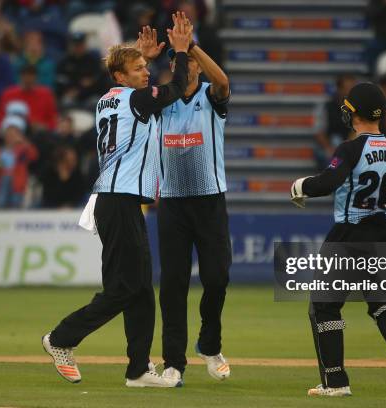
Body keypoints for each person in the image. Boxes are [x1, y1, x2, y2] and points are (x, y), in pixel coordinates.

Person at [41, 13, 193, 388]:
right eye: (138, 68)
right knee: (126, 289)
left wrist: (143, 59)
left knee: (140, 290)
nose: (146, 71)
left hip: (114, 200)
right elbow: (177, 89)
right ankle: (61, 338)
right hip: (119, 201)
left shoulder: (108, 101)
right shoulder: (138, 100)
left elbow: (146, 95)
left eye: (146, 66)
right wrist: (180, 52)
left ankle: (138, 370)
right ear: (120, 77)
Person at [290, 82, 386, 397]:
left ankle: (335, 382)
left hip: (348, 238)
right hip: (385, 239)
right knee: (384, 304)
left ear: (353, 114)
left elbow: (328, 183)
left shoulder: (350, 149)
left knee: (324, 307)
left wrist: (300, 187)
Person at [152, 13, 231, 386]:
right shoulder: (163, 102)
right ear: (175, 68)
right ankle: (173, 363)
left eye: (192, 61)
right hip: (172, 203)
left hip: (210, 201)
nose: (189, 65)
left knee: (217, 278)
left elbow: (224, 81)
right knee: (172, 286)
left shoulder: (210, 98)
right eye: (183, 61)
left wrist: (192, 44)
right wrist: (171, 53)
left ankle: (210, 345)